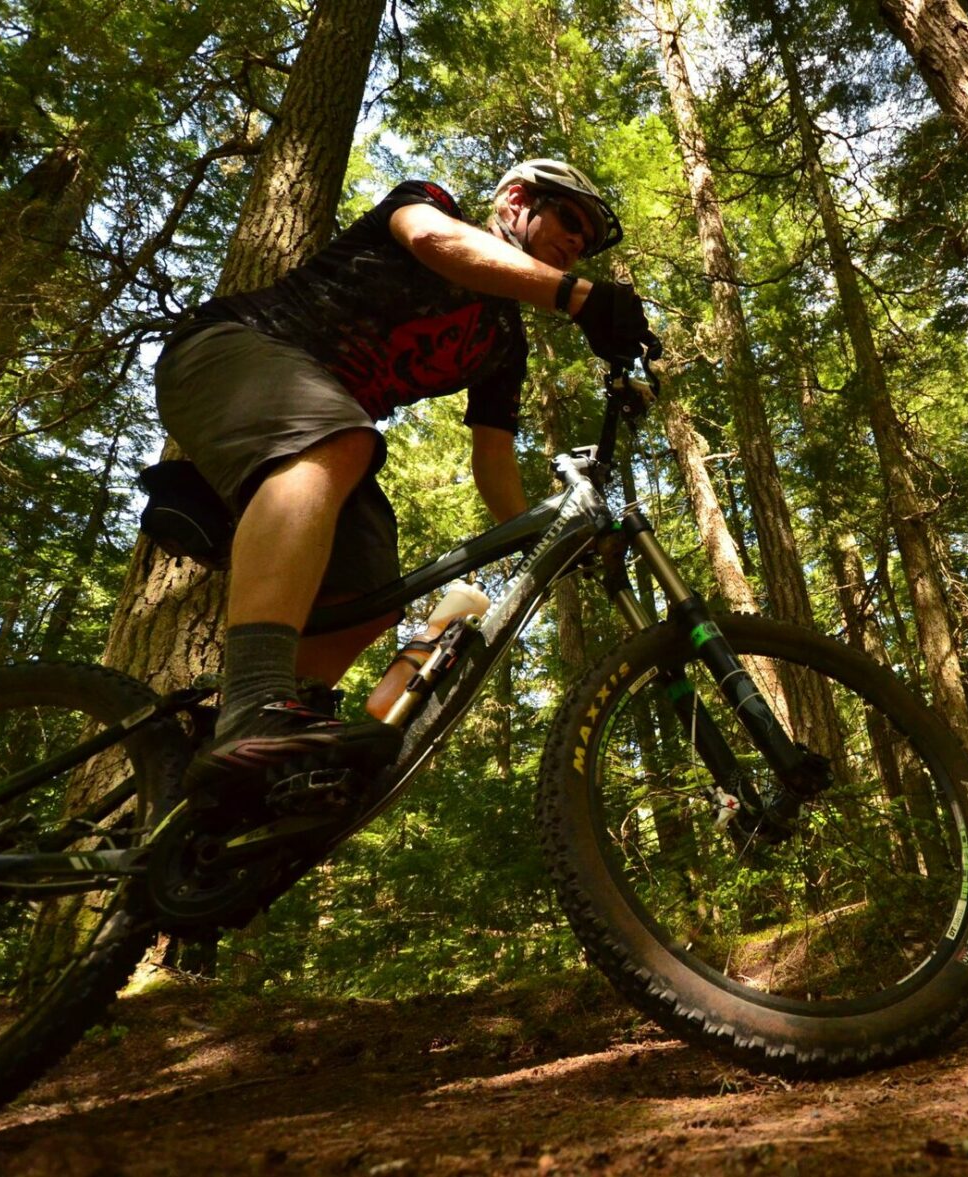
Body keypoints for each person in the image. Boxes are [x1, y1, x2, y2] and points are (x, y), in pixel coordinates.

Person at [154, 159, 659, 809]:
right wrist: (579, 296)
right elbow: (431, 242)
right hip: (233, 351)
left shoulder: (503, 343)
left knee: (373, 587)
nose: (575, 245)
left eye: (585, 243)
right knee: (344, 439)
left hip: (316, 431)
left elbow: (494, 461)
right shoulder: (431, 204)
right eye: (569, 222)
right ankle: (256, 700)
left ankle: (236, 744)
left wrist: (560, 546)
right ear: (515, 199)